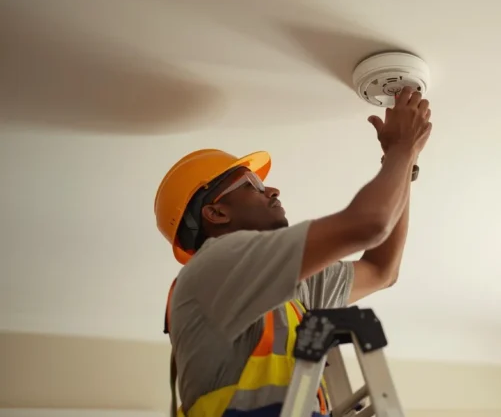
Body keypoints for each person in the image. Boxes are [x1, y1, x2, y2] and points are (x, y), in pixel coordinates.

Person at [153, 86, 432, 417]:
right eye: (253, 185)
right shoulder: (216, 267)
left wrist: (403, 162)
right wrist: (402, 149)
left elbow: (381, 270)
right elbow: (370, 224)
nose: (272, 189)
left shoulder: (289, 291)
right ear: (216, 213)